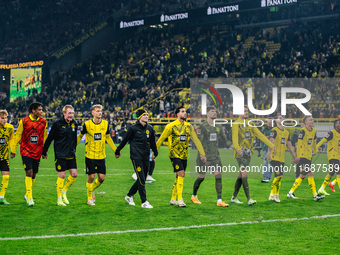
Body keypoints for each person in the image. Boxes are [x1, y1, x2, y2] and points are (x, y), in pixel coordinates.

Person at [156, 106, 206, 207]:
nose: (185, 113)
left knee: (178, 177)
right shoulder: (170, 126)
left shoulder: (189, 126)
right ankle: (180, 199)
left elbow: (196, 140)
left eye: (185, 112)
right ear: (177, 114)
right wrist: (155, 152)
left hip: (184, 155)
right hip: (174, 154)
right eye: (182, 111)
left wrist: (202, 153)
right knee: (182, 174)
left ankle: (173, 199)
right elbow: (161, 139)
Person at [231, 106, 275, 206]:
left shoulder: (251, 123)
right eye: (244, 111)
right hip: (240, 154)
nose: (246, 113)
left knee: (240, 175)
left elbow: (260, 135)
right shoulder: (236, 124)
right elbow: (234, 138)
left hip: (248, 153)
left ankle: (234, 197)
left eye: (247, 111)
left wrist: (271, 145)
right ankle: (249, 199)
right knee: (245, 173)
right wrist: (238, 149)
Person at [115, 109, 158, 209]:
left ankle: (129, 195)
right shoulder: (133, 128)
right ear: (139, 117)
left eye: (147, 115)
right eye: (144, 115)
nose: (147, 116)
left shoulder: (150, 128)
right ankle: (144, 202)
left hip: (146, 157)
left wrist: (155, 152)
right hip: (136, 157)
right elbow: (125, 140)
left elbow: (152, 142)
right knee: (142, 179)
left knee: (141, 178)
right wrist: (117, 151)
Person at [191, 106, 232, 207]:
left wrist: (234, 146)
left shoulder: (218, 126)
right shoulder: (202, 127)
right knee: (201, 177)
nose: (215, 113)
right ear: (207, 114)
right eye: (212, 111)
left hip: (215, 157)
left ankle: (219, 200)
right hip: (204, 157)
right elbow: (199, 142)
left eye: (215, 111)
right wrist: (202, 154)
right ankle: (194, 195)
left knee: (218, 177)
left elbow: (225, 140)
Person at [77, 105, 117, 206]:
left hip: (101, 155)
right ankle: (89, 198)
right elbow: (80, 136)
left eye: (101, 111)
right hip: (90, 155)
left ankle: (91, 189)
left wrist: (115, 150)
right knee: (91, 176)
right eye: (98, 111)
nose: (100, 113)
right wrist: (73, 146)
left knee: (102, 178)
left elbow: (108, 138)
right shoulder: (87, 124)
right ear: (93, 113)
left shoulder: (105, 124)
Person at [12, 102, 47, 206]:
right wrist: (13, 149)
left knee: (34, 173)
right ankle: (30, 197)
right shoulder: (24, 121)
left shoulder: (43, 122)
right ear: (33, 110)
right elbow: (18, 135)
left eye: (41, 109)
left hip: (37, 151)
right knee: (29, 172)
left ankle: (27, 194)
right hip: (26, 151)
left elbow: (44, 136)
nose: (41, 111)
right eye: (39, 110)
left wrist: (44, 151)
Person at [42, 105, 79, 206]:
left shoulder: (74, 124)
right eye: (69, 113)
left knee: (74, 174)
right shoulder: (57, 124)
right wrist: (44, 151)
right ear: (64, 113)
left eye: (72, 113)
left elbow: (74, 138)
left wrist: (74, 149)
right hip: (60, 154)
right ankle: (59, 199)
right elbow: (50, 139)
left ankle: (64, 192)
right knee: (62, 175)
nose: (71, 115)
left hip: (71, 153)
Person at [287, 116, 325, 201]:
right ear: (306, 122)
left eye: (312, 119)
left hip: (308, 156)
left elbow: (314, 142)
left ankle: (290, 192)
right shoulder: (302, 131)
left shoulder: (314, 131)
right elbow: (299, 144)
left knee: (303, 175)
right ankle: (315, 195)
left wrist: (315, 151)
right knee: (310, 173)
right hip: (303, 156)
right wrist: (298, 156)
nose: (312, 121)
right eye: (310, 120)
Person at [267, 115, 297, 203]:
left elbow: (289, 145)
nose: (281, 119)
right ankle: (276, 195)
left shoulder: (286, 132)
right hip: (274, 156)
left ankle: (272, 194)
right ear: (276, 121)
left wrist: (294, 156)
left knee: (279, 177)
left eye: (282, 118)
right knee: (278, 175)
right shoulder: (274, 130)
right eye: (279, 118)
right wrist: (269, 152)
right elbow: (270, 142)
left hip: (281, 157)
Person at [316, 119, 340, 196]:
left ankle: (321, 189)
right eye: (339, 123)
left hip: (338, 155)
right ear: (335, 125)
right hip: (332, 154)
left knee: (332, 172)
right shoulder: (332, 133)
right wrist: (317, 147)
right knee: (338, 171)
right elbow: (323, 140)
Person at [0, 110, 15, 205]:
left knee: (6, 177)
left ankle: (1, 197)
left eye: (6, 118)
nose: (5, 120)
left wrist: (13, 150)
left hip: (4, 157)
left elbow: (12, 139)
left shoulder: (10, 127)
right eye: (2, 118)